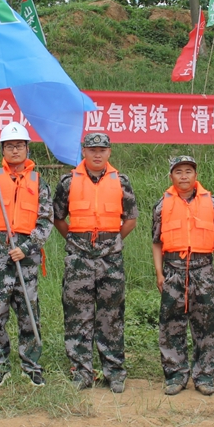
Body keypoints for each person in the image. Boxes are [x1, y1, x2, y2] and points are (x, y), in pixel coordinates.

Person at [0, 122, 53, 388]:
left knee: (29, 313)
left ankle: (31, 365)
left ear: (27, 148)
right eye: (9, 146)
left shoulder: (38, 182)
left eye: (19, 145)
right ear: (1, 150)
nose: (15, 150)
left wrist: (26, 248)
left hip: (26, 258)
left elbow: (45, 222)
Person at [53, 132, 138, 393]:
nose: (97, 154)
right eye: (92, 150)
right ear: (84, 152)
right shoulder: (68, 181)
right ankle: (81, 371)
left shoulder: (121, 181)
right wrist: (76, 241)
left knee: (111, 315)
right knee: (77, 314)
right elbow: (58, 218)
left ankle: (114, 371)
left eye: (102, 150)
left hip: (110, 259)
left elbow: (131, 220)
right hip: (78, 259)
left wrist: (111, 242)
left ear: (109, 152)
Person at [151, 156, 214, 396]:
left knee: (205, 324)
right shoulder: (162, 205)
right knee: (171, 325)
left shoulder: (213, 203)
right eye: (179, 172)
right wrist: (159, 272)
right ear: (171, 176)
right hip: (173, 269)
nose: (184, 176)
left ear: (196, 175)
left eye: (188, 171)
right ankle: (175, 375)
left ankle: (205, 376)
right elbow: (156, 242)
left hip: (203, 270)